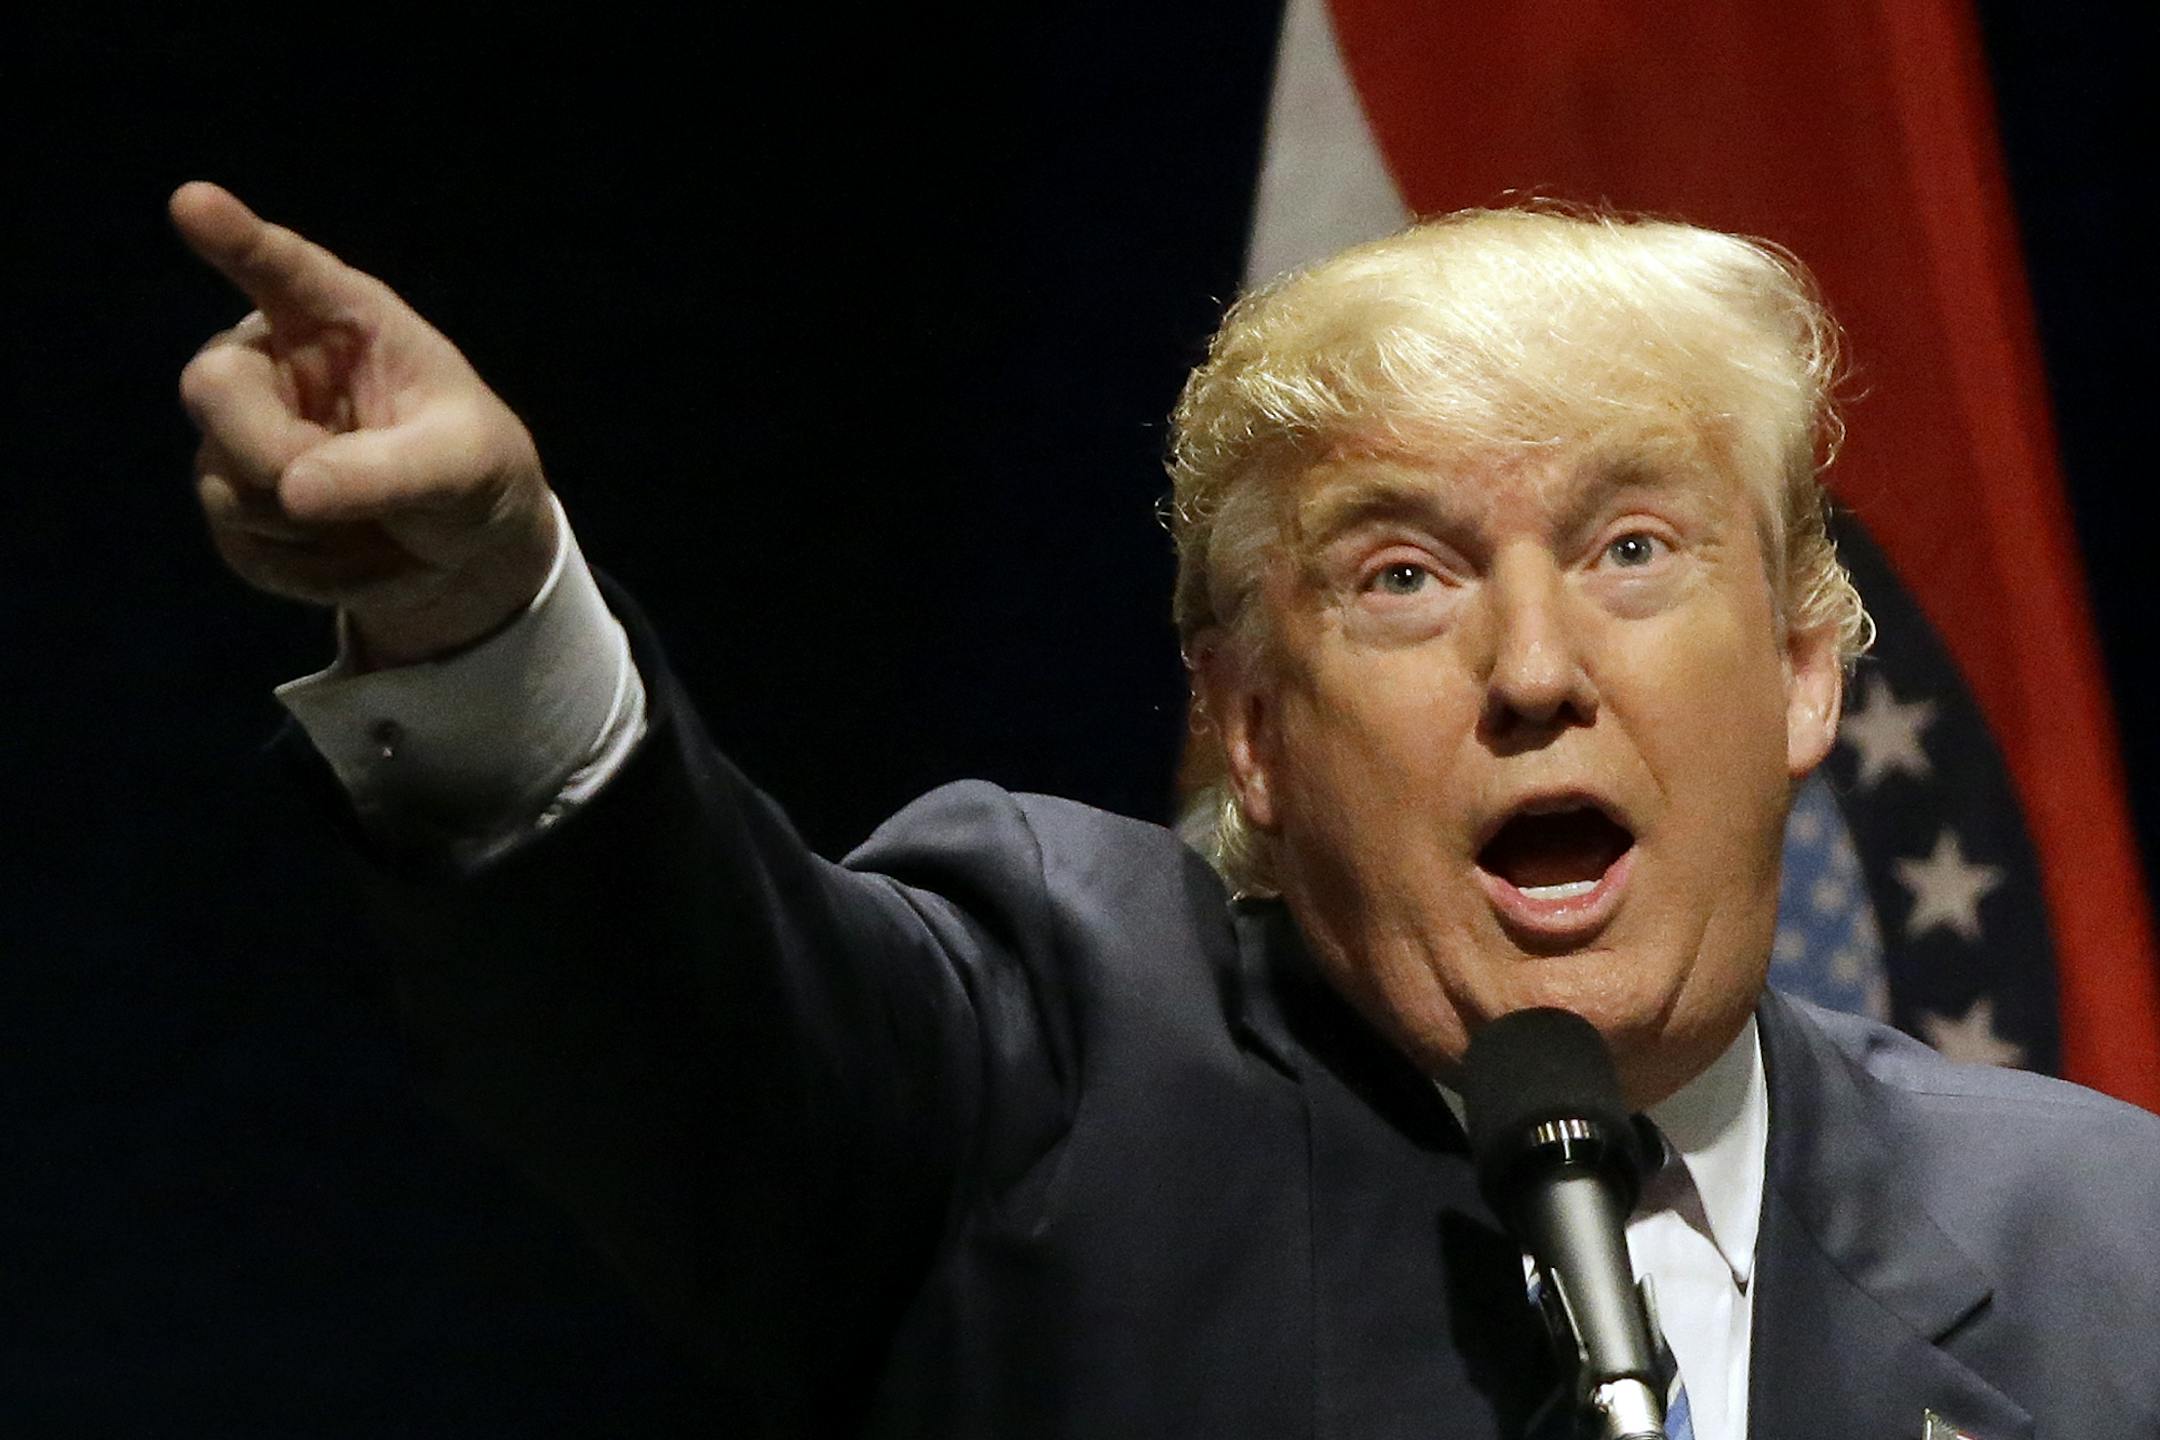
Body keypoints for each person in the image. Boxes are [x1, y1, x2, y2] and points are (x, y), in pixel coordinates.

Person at [173, 181, 2160, 1439]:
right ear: (1251, 732)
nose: (1540, 667)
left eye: (1635, 548)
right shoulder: (1046, 1074)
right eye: (1402, 576)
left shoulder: (2105, 1256)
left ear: (1808, 664)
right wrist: (479, 621)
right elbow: (692, 1007)